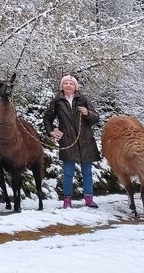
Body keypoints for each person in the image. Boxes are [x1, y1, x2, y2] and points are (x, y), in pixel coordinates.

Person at [43, 74, 101, 209]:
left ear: (75, 87)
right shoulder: (57, 101)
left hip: (85, 140)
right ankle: (67, 201)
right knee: (68, 173)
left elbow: (96, 118)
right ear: (62, 86)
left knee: (87, 172)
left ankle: (89, 199)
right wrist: (51, 131)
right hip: (68, 141)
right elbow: (47, 119)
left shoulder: (83, 100)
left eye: (71, 83)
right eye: (65, 83)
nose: (68, 85)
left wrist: (87, 113)